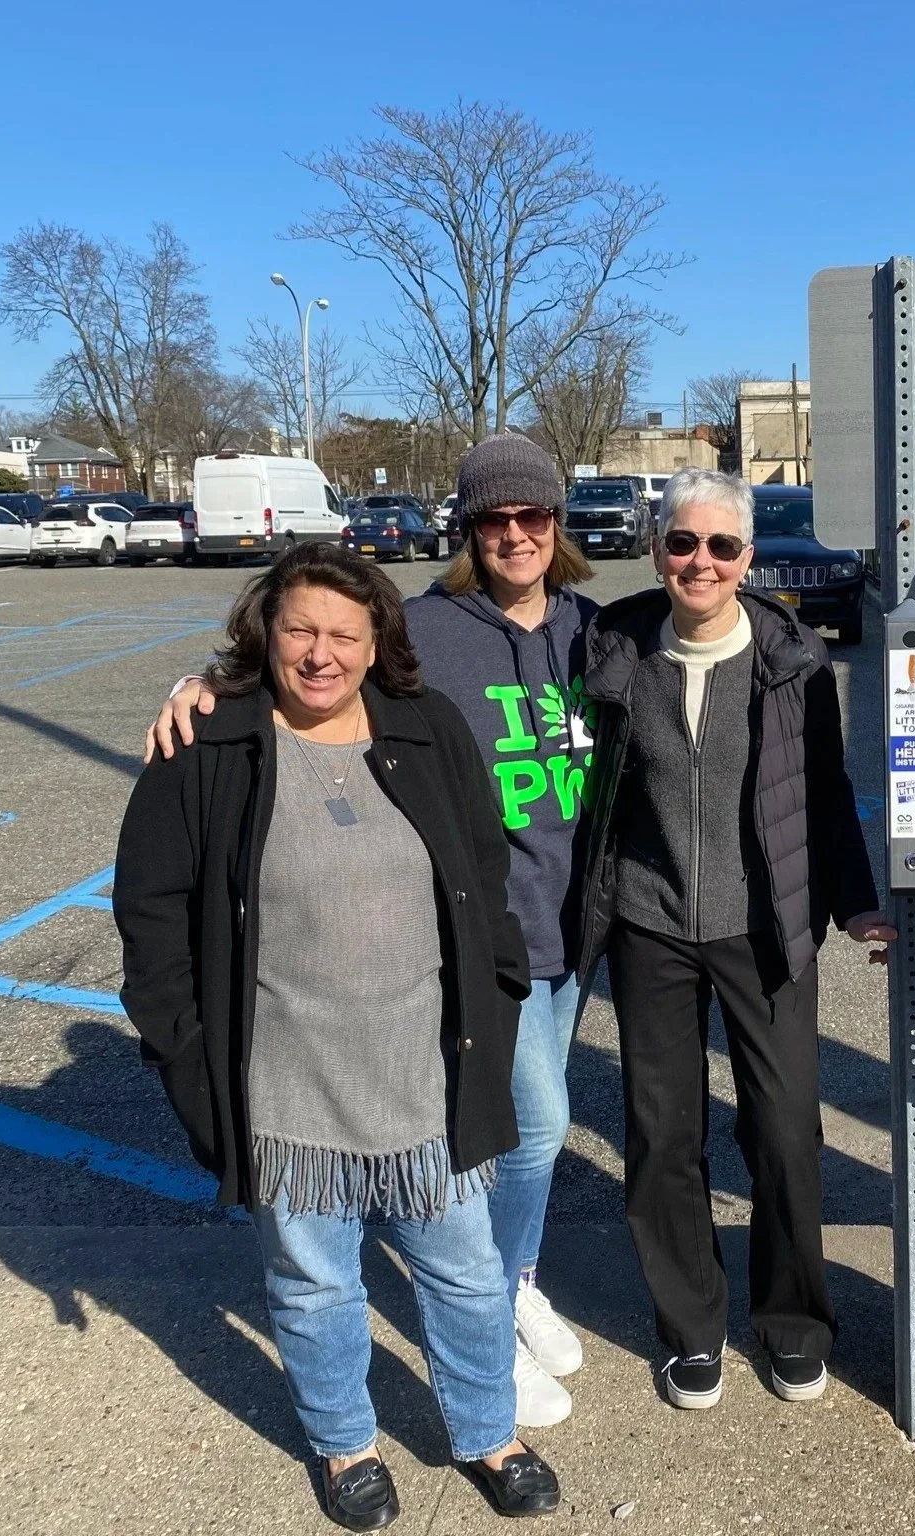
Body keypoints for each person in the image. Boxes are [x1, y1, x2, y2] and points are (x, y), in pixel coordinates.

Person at [146, 435, 597, 1429]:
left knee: (533, 1137)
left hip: (570, 936)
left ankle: (513, 1288)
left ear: (558, 527)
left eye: (534, 517)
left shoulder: (596, 632)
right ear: (468, 530)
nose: (515, 535)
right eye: (494, 519)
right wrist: (201, 684)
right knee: (532, 1132)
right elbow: (310, 656)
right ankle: (507, 1295)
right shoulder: (427, 632)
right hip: (476, 950)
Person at [575, 466, 893, 1411]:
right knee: (663, 1134)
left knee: (786, 1130)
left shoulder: (793, 661)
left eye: (721, 546)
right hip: (651, 922)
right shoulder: (612, 645)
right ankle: (692, 1328)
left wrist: (856, 899)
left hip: (768, 927)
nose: (700, 562)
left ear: (747, 559)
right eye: (682, 543)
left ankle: (793, 1323)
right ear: (657, 549)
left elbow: (826, 796)